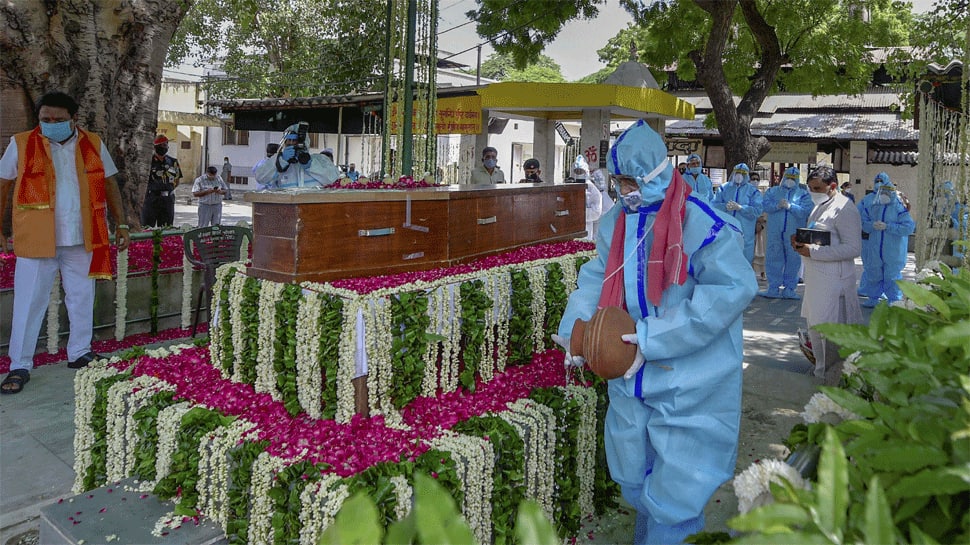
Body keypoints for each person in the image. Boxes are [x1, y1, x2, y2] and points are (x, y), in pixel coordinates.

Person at [553, 119, 757, 545]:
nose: (621, 189)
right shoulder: (617, 223)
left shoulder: (700, 222)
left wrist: (653, 337)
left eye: (628, 181)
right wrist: (577, 330)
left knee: (677, 495)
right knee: (635, 480)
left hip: (688, 380)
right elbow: (596, 278)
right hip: (631, 379)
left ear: (652, 173)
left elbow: (732, 289)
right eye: (617, 181)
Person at [0, 91, 131, 394]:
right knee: (29, 304)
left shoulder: (93, 143)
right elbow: (3, 185)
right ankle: (19, 365)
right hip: (36, 239)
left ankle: (80, 353)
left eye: (59, 119)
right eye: (46, 119)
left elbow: (109, 181)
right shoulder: (21, 144)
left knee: (82, 298)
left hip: (82, 237)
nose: (51, 124)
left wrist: (121, 223)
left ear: (74, 119)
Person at [791, 165, 863, 385]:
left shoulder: (845, 208)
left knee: (830, 332)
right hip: (816, 280)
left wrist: (814, 251)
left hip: (834, 281)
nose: (812, 192)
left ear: (833, 187)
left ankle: (834, 377)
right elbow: (821, 235)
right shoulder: (820, 206)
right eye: (810, 188)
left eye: (817, 188)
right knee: (815, 327)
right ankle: (820, 372)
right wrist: (800, 241)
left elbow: (853, 249)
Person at [857, 173, 916, 307]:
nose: (883, 194)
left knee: (892, 275)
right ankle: (873, 297)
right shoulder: (873, 206)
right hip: (875, 247)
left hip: (893, 250)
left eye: (886, 191)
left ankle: (894, 299)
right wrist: (871, 225)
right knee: (874, 272)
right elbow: (862, 221)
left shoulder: (899, 208)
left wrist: (888, 227)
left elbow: (908, 227)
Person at [759, 166, 813, 299]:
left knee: (793, 259)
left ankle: (790, 288)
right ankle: (773, 288)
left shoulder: (803, 194)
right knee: (773, 257)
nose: (790, 180)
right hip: (775, 232)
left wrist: (791, 207)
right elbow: (765, 205)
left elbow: (806, 211)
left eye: (793, 178)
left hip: (794, 233)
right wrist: (777, 206)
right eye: (788, 177)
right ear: (783, 177)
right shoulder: (773, 191)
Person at [254, 124, 341, 189]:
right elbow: (260, 178)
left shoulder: (320, 160)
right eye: (289, 141)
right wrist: (281, 162)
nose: (292, 144)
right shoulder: (279, 163)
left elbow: (334, 179)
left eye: (295, 141)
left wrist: (311, 165)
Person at [713, 162, 764, 263]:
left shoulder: (753, 191)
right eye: (737, 172)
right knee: (726, 256)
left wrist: (741, 208)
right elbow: (714, 205)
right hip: (726, 229)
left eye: (743, 173)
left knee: (744, 259)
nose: (739, 175)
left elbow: (758, 210)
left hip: (745, 231)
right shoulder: (724, 188)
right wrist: (725, 206)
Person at [141, 134, 182, 227]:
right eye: (161, 145)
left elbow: (177, 180)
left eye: (165, 145)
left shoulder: (173, 162)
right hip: (151, 198)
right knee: (147, 227)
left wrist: (167, 189)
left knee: (166, 228)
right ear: (155, 147)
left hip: (167, 200)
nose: (164, 147)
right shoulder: (148, 162)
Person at [567, 155, 602, 240]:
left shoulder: (592, 189)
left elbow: (596, 212)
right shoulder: (569, 187)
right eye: (576, 171)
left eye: (581, 171)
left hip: (586, 227)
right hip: (570, 226)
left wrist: (578, 213)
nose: (578, 174)